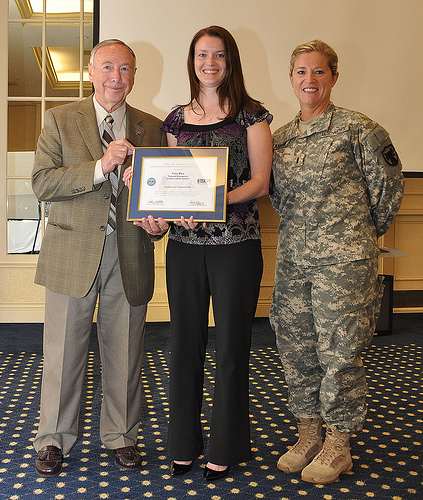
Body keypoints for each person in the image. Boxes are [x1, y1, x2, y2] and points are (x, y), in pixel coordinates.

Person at [127, 25, 272, 480]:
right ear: (191, 61)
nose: (209, 63)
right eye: (201, 55)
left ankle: (226, 446)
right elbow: (174, 181)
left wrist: (214, 201)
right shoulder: (175, 120)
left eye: (219, 56)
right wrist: (175, 210)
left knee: (231, 349)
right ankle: (184, 443)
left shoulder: (252, 115)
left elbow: (260, 184)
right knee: (183, 346)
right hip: (185, 249)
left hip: (236, 247)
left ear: (231, 62)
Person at [269, 39, 404, 484]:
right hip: (293, 262)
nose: (310, 80)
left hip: (344, 265)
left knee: (341, 352)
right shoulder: (280, 139)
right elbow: (277, 198)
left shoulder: (358, 129)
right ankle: (309, 432)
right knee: (296, 348)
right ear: (291, 79)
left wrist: (356, 238)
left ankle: (338, 443)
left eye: (320, 72)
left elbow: (387, 192)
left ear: (334, 76)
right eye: (302, 72)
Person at [31, 39, 166, 477]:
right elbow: (42, 183)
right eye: (108, 67)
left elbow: (160, 195)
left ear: (134, 75)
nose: (117, 77)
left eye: (126, 69)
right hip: (72, 255)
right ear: (91, 71)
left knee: (126, 353)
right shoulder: (59, 120)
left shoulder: (151, 126)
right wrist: (98, 166)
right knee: (64, 353)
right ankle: (53, 439)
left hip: (129, 253)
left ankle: (121, 435)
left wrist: (160, 223)